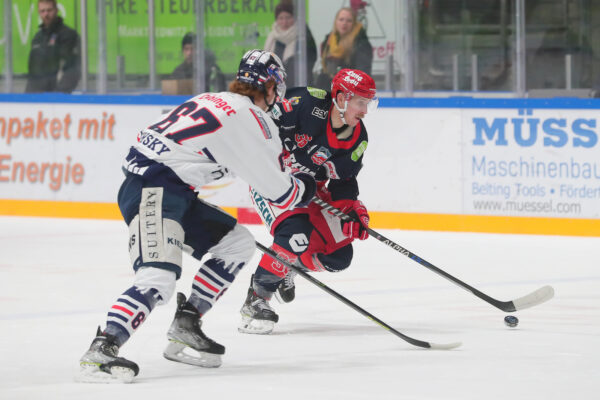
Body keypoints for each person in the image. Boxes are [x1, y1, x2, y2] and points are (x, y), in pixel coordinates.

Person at [77, 49, 316, 383]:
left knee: (237, 244)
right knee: (158, 277)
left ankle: (187, 324)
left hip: (166, 189)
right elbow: (282, 193)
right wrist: (307, 184)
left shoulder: (213, 98)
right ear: (272, 87)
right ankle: (102, 348)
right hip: (155, 191)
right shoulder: (252, 119)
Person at [239, 68, 377, 334]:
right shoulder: (306, 103)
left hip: (308, 190)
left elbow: (343, 182)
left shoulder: (358, 138)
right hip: (271, 181)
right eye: (361, 102)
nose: (365, 111)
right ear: (341, 98)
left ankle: (289, 266)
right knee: (295, 234)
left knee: (338, 256)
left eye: (367, 103)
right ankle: (257, 299)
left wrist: (352, 210)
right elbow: (259, 122)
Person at [25, 0, 81, 93]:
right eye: (42, 11)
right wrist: (27, 95)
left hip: (54, 97)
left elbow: (72, 70)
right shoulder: (37, 37)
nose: (46, 14)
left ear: (56, 10)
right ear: (39, 13)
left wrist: (59, 95)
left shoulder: (68, 35)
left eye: (49, 10)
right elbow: (33, 71)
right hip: (34, 95)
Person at [315, 7, 373, 91]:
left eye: (349, 20)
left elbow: (362, 74)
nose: (344, 23)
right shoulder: (329, 40)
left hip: (349, 91)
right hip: (328, 89)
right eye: (341, 19)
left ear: (354, 23)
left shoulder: (361, 43)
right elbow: (325, 69)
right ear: (336, 21)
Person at [263, 0, 317, 86]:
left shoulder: (303, 35)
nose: (284, 22)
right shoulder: (272, 37)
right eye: (281, 18)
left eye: (288, 17)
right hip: (276, 88)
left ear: (294, 18)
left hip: (298, 86)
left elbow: (310, 60)